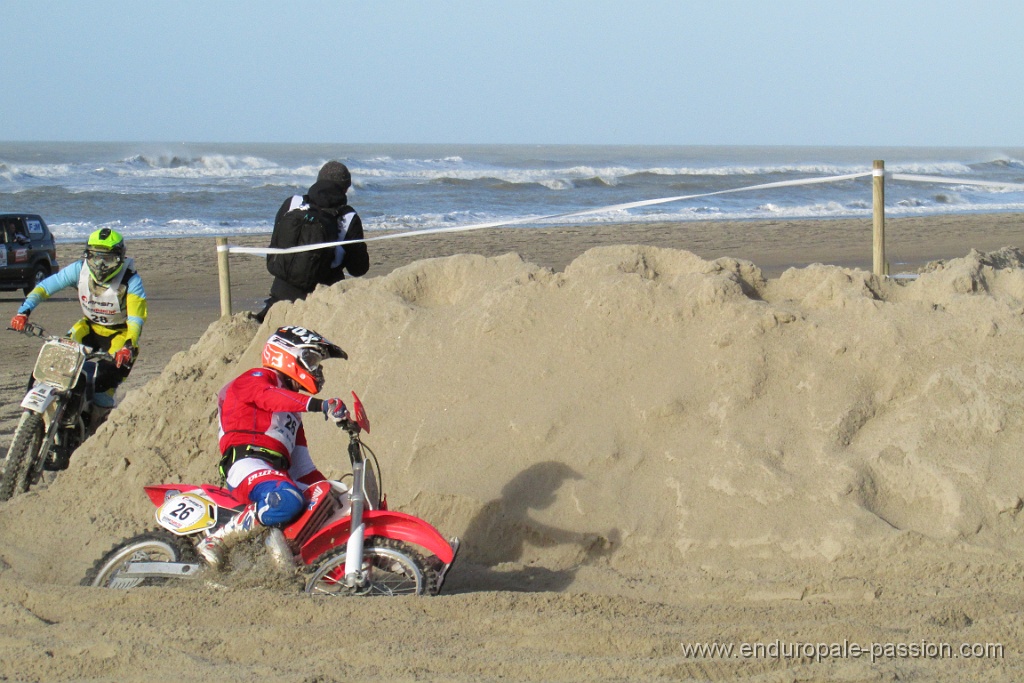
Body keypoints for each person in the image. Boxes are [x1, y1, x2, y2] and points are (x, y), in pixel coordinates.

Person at [198, 325, 352, 568]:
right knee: (289, 499)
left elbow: (304, 469)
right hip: (246, 462)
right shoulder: (256, 378)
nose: (316, 369)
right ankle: (217, 541)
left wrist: (337, 495)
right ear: (285, 355)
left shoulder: (292, 414)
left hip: (276, 473)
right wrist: (320, 405)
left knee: (337, 503)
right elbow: (267, 396)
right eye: (310, 359)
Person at [9, 228, 146, 418]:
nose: (100, 266)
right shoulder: (78, 270)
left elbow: (136, 320)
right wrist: (23, 312)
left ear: (120, 258)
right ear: (87, 255)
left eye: (107, 259)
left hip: (121, 337)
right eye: (95, 257)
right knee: (54, 366)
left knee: (102, 392)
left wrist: (128, 346)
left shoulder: (131, 281)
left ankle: (97, 431)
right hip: (88, 328)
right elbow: (44, 288)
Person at [254, 161, 370, 322]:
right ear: (345, 189)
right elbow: (358, 269)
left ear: (317, 181)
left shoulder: (292, 203)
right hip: (323, 300)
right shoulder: (349, 218)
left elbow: (275, 247)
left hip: (280, 296)